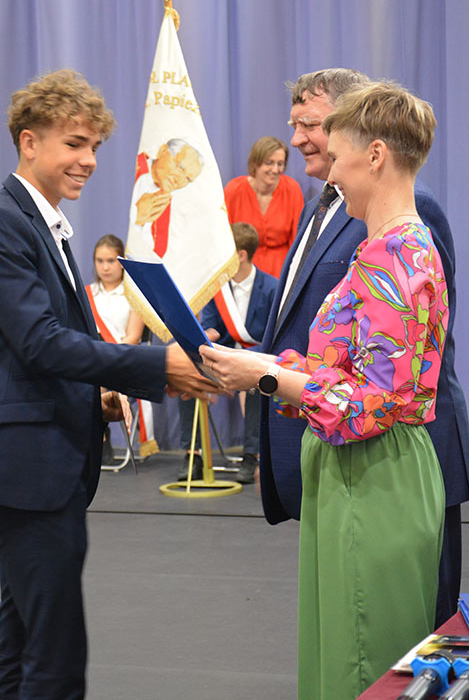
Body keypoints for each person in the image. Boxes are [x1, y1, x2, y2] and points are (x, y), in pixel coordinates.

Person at [0, 69, 218, 700]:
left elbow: (34, 354)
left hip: (41, 464)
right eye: (75, 143)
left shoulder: (40, 223)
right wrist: (157, 366)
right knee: (55, 660)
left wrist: (93, 396)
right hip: (24, 469)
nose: (90, 160)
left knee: (26, 642)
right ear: (29, 142)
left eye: (95, 146)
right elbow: (40, 342)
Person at [201, 81, 447, 699]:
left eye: (337, 158)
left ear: (376, 155)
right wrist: (264, 363)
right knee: (344, 654)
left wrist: (263, 377)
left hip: (374, 475)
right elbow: (343, 370)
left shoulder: (399, 255)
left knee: (362, 666)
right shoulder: (385, 248)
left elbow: (370, 405)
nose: (329, 174)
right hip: (356, 474)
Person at [258, 68, 469, 629]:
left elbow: (415, 359)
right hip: (343, 452)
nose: (300, 139)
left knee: (409, 640)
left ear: (370, 147)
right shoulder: (325, 206)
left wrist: (269, 378)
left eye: (314, 125)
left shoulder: (405, 223)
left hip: (389, 459)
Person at [177, 222, 277, 483]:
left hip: (256, 359)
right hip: (222, 358)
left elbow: (273, 338)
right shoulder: (217, 289)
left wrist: (249, 359)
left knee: (261, 382)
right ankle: (193, 454)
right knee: (186, 377)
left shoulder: (272, 288)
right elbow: (211, 329)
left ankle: (251, 455)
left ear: (241, 255)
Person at [85, 234, 157, 463]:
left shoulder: (133, 295)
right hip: (91, 361)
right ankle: (96, 434)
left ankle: (99, 432)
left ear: (122, 262)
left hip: (124, 360)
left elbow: (133, 338)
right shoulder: (85, 294)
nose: (105, 267)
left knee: (94, 377)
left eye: (111, 261)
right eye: (100, 261)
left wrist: (105, 357)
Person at [224, 136, 304, 278]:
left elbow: (297, 240)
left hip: (282, 273)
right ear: (256, 163)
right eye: (269, 163)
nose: (275, 169)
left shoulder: (292, 189)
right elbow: (225, 237)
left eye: (280, 164)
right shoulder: (234, 190)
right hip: (242, 272)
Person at [130, 139, 204, 257]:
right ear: (162, 151)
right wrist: (136, 216)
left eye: (188, 179)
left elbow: (157, 251)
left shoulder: (163, 200)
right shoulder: (130, 168)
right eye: (180, 167)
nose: (179, 180)